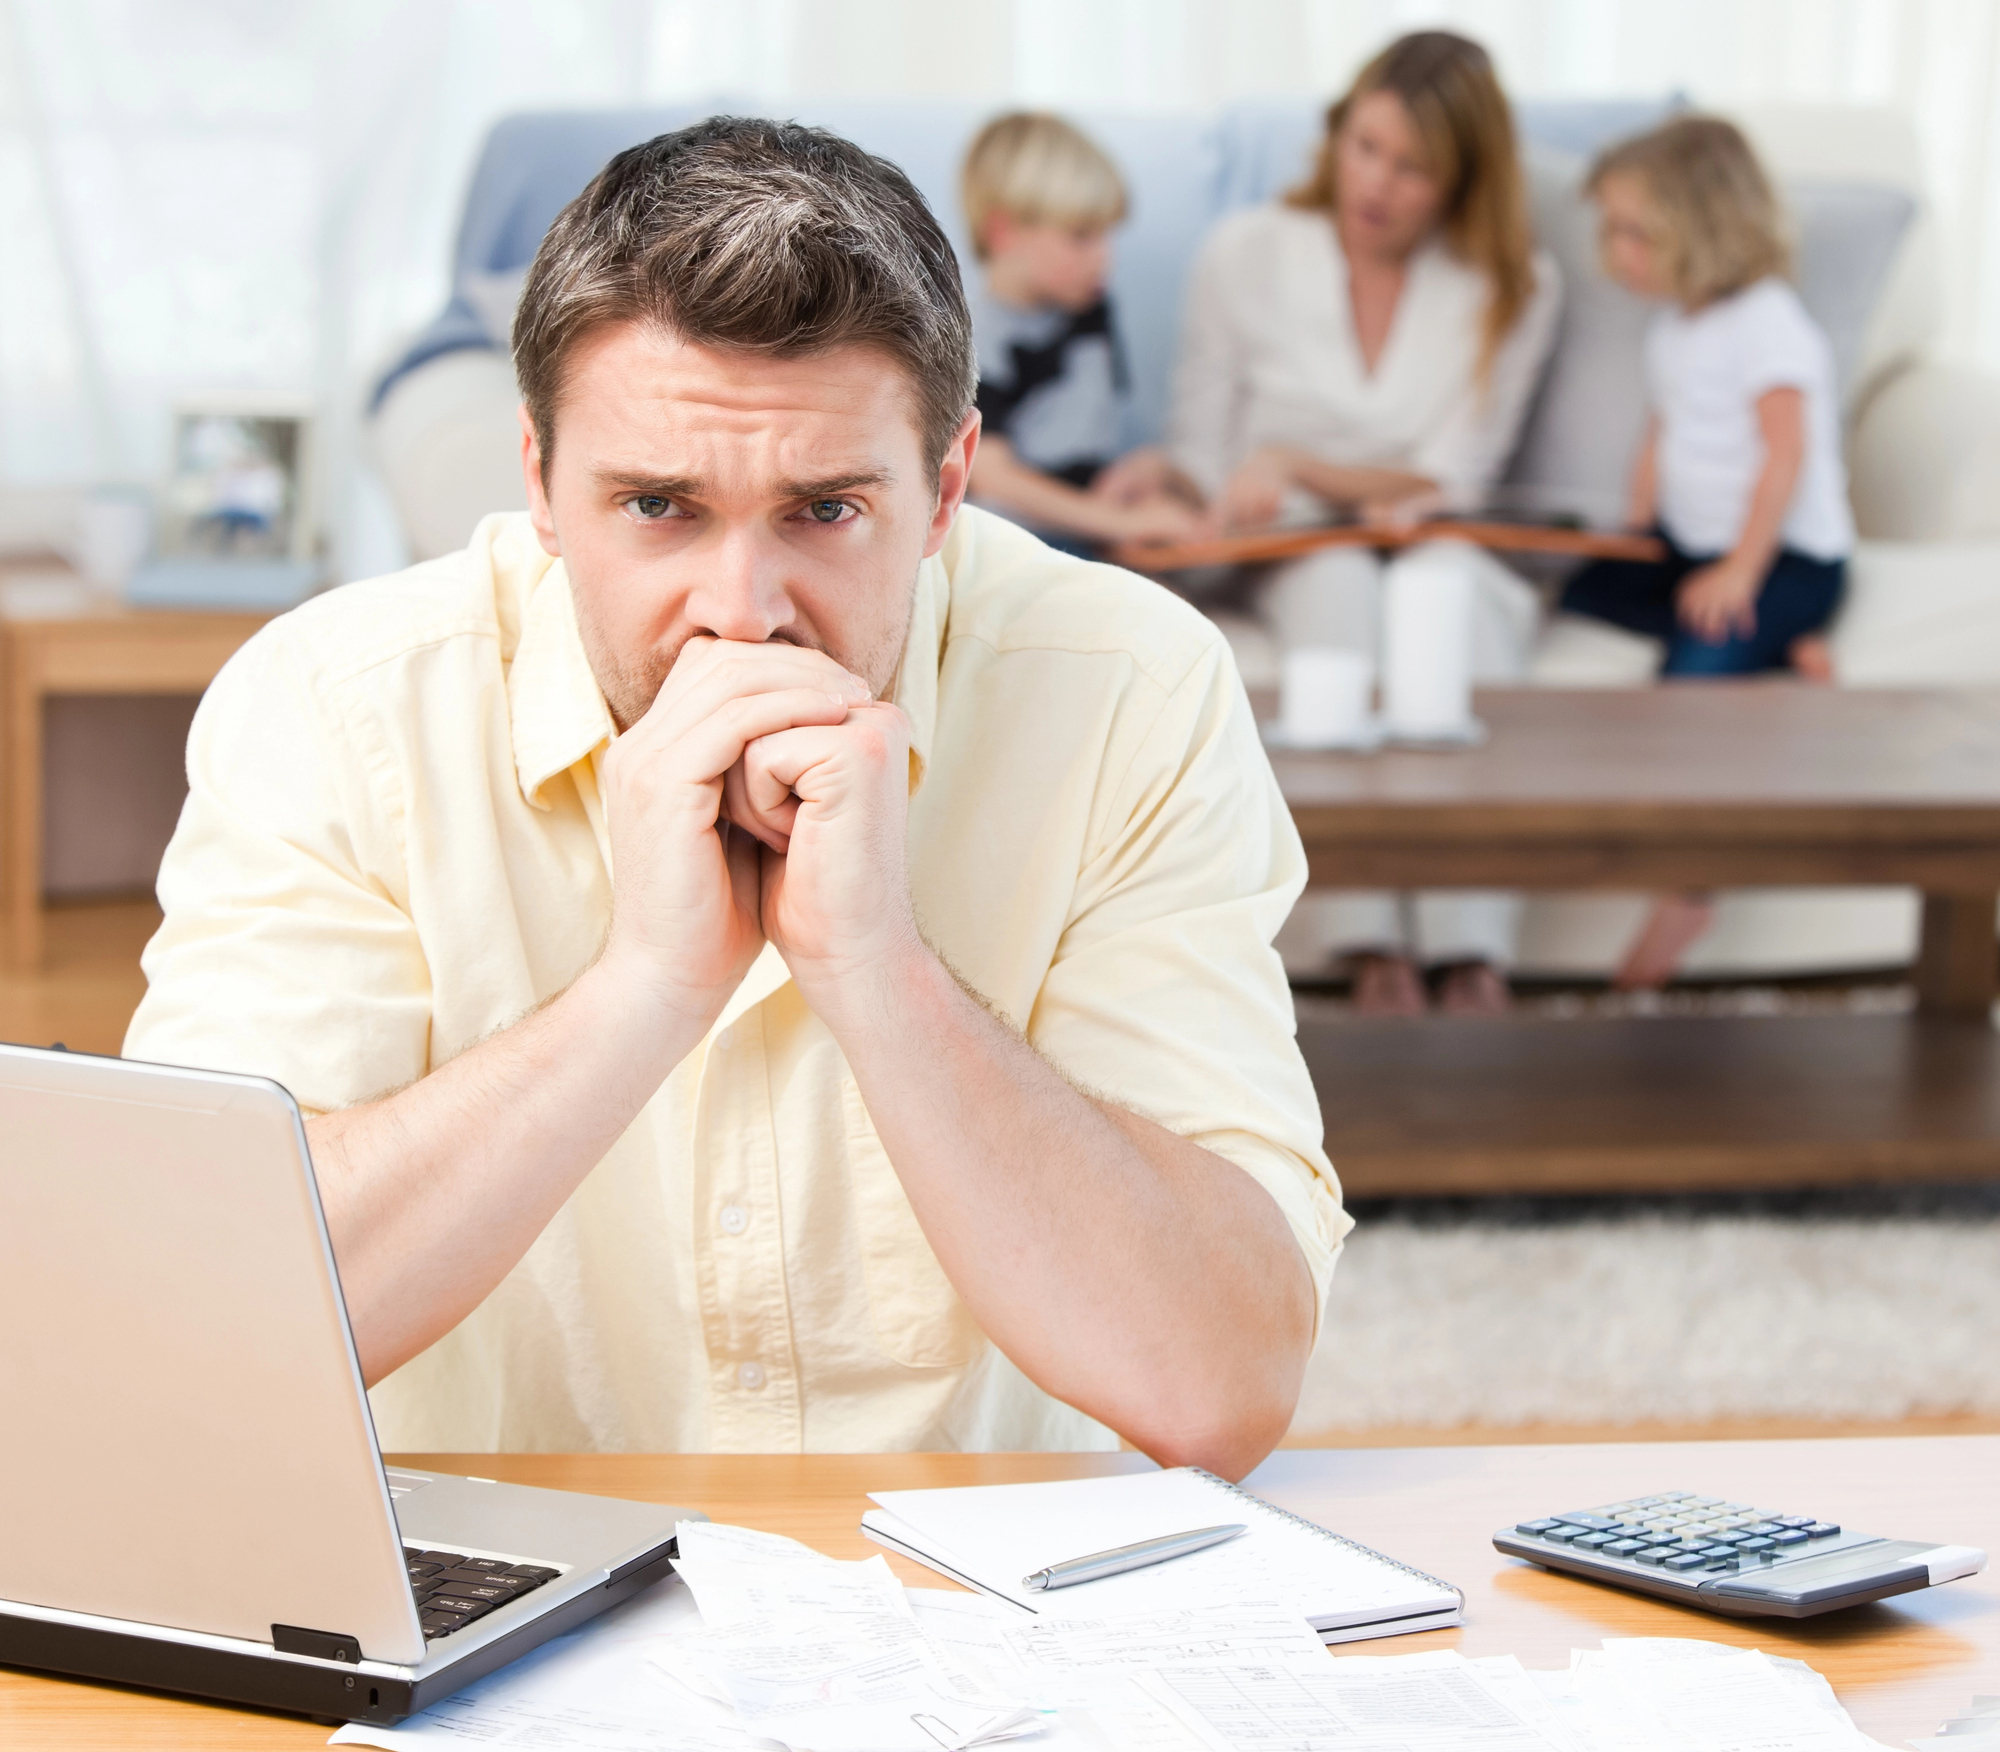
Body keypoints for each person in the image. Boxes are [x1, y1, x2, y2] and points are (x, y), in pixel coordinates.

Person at [124, 118, 1346, 1477]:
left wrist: (879, 968)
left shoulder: (1129, 687)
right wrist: (642, 988)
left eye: (824, 512)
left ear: (944, 493)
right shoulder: (332, 707)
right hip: (489, 1628)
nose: (742, 618)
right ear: (537, 481)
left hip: (983, 1621)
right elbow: (187, 1332)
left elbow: (1222, 1385)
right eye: (657, 506)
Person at [1169, 31, 1561, 1016]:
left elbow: (1452, 480)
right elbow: (1202, 454)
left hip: (1433, 538)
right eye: (1364, 147)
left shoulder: (1515, 289)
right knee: (1337, 591)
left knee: (1449, 595)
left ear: (1463, 183)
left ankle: (1470, 954)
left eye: (1415, 168)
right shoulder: (1245, 253)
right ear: (1335, 136)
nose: (1377, 185)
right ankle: (1366, 942)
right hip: (1287, 542)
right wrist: (1264, 491)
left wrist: (1302, 462)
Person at [1560, 116, 1853, 987]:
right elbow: (1667, 430)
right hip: (1695, 549)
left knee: (1695, 674)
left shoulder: (1768, 323)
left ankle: (1687, 895)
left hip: (1784, 559)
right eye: (1611, 230)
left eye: (1634, 232)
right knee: (1584, 590)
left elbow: (1785, 452)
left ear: (1707, 226)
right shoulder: (1675, 330)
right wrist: (1636, 524)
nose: (1617, 252)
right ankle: (1780, 644)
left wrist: (1741, 571)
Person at [960, 111, 1200, 555]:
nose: (1104, 260)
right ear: (1003, 231)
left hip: (1090, 533)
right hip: (1013, 546)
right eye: (1081, 237)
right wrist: (1115, 522)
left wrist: (1140, 475)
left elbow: (1097, 433)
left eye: (1107, 237)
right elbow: (989, 474)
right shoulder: (973, 338)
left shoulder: (1091, 312)